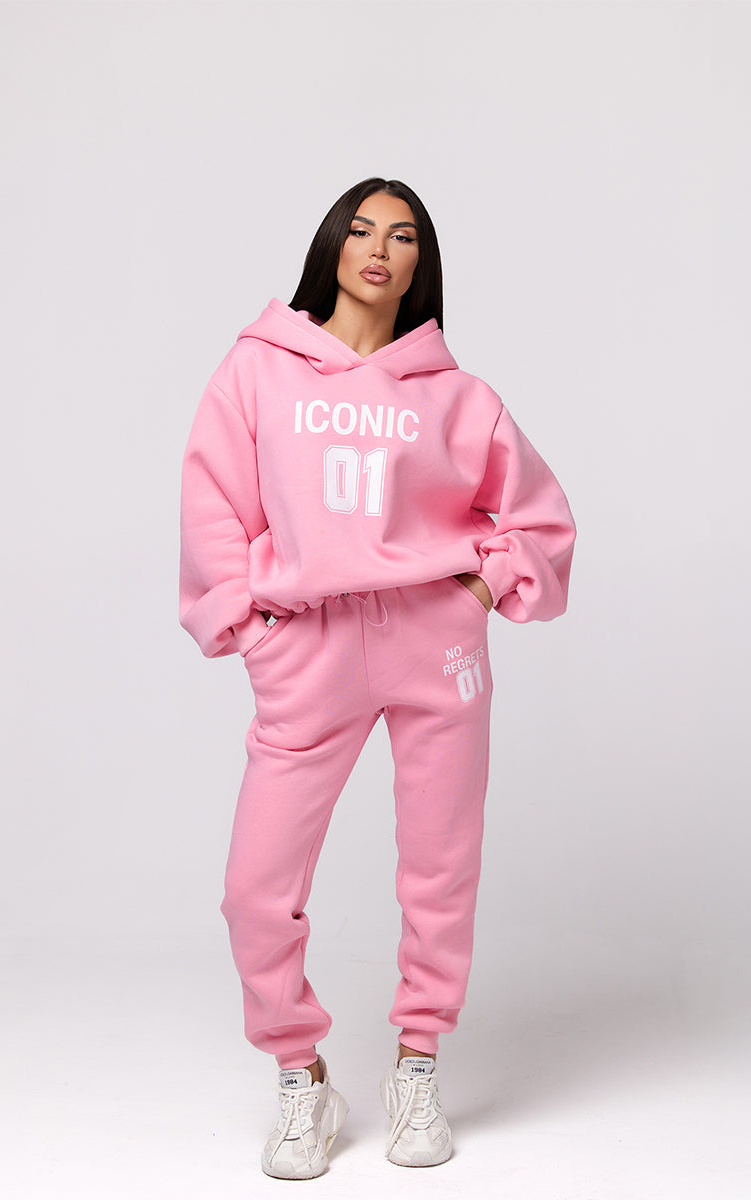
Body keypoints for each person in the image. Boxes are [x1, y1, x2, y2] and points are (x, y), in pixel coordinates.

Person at [179, 177, 576, 1178]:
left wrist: (477, 593)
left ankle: (418, 1065)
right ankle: (300, 1076)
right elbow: (213, 502)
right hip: (308, 651)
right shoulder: (257, 370)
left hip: (434, 646)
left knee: (439, 870)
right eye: (361, 230)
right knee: (255, 890)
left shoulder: (456, 396)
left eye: (403, 236)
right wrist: (251, 628)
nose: (379, 249)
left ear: (418, 265)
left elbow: (539, 516)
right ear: (331, 247)